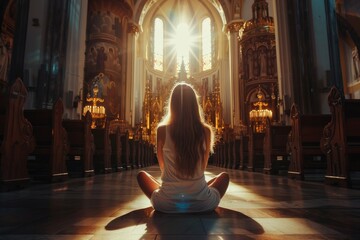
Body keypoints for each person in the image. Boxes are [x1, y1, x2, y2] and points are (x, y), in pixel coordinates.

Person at [137, 82, 229, 213]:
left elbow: (163, 167)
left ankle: (173, 191)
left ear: (172, 105)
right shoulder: (206, 131)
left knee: (141, 176)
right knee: (224, 177)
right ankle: (195, 191)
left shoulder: (162, 130)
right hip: (203, 204)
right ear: (195, 105)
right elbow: (203, 167)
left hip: (165, 204)